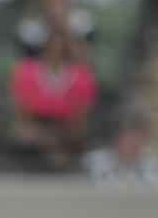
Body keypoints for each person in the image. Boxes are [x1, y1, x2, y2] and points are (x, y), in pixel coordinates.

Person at [10, 27, 97, 172]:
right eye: (51, 46)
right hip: (35, 132)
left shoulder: (83, 76)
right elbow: (22, 113)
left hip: (68, 133)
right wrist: (45, 137)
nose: (56, 51)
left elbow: (81, 117)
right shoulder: (26, 73)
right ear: (44, 48)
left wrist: (59, 135)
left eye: (61, 47)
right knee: (24, 136)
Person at [83, 109, 158, 187]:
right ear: (116, 137)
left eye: (139, 135)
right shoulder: (92, 163)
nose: (134, 141)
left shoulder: (157, 166)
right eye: (128, 135)